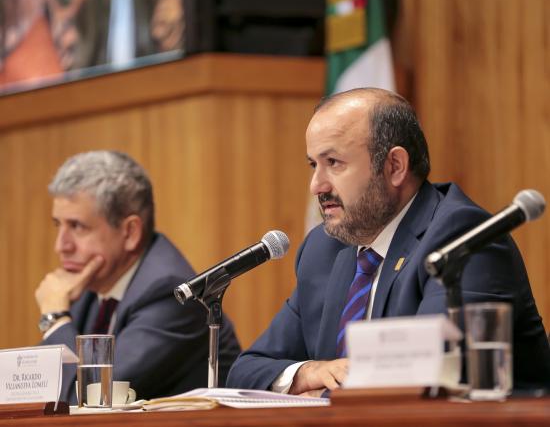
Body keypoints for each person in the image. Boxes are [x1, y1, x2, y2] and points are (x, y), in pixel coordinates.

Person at [226, 87, 550, 395]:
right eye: (314, 164)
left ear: (395, 166)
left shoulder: (462, 237)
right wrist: (308, 373)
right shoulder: (324, 249)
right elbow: (246, 370)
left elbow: (427, 371)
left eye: (333, 163)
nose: (316, 185)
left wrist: (329, 394)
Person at [36, 151, 241, 404]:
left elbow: (89, 399)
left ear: (130, 232)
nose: (61, 246)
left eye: (77, 226)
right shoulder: (88, 285)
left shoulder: (170, 293)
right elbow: (37, 392)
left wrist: (54, 318)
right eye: (58, 225)